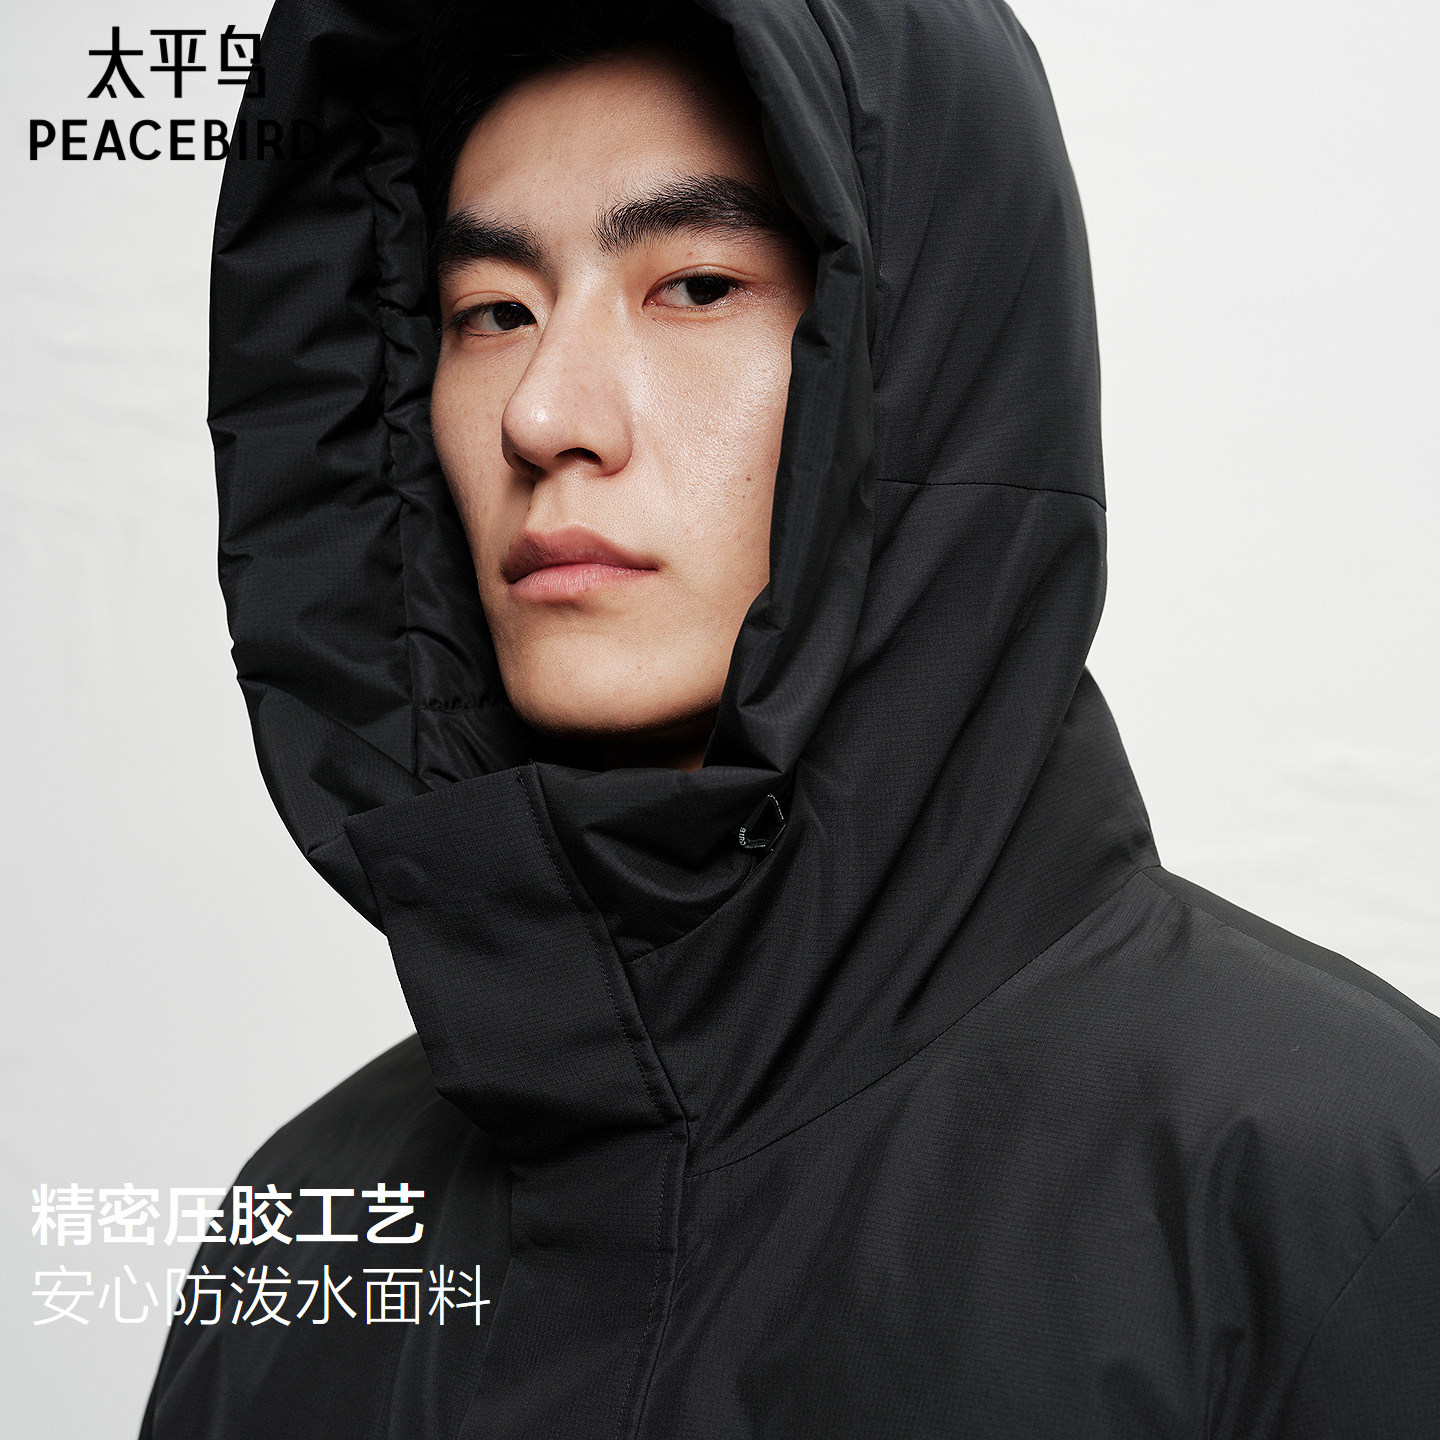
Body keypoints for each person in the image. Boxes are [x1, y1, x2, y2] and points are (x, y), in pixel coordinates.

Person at [142, 0, 1440, 1436]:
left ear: (928, 363)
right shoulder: (309, 1238)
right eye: (492, 313)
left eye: (697, 287)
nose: (545, 415)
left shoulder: (1340, 1190)